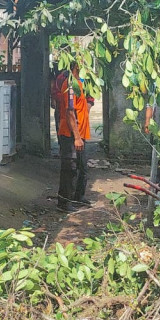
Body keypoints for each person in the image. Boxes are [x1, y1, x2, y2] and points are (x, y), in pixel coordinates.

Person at [57, 59, 93, 211]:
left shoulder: (81, 83)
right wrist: (77, 137)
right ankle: (64, 202)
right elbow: (70, 112)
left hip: (81, 133)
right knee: (69, 167)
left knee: (82, 166)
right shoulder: (71, 85)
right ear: (77, 66)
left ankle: (78, 196)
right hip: (70, 133)